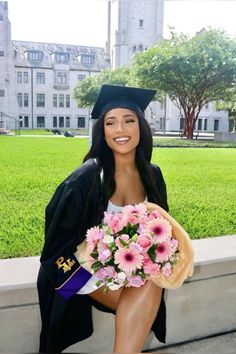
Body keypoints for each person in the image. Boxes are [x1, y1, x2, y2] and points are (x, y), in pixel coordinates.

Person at [37, 84, 169, 353]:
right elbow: (54, 249)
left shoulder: (152, 175)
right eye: (111, 123)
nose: (120, 130)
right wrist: (85, 277)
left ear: (141, 127)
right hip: (82, 269)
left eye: (129, 121)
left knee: (150, 283)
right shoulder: (84, 180)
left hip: (130, 269)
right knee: (146, 292)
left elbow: (162, 229)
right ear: (103, 132)